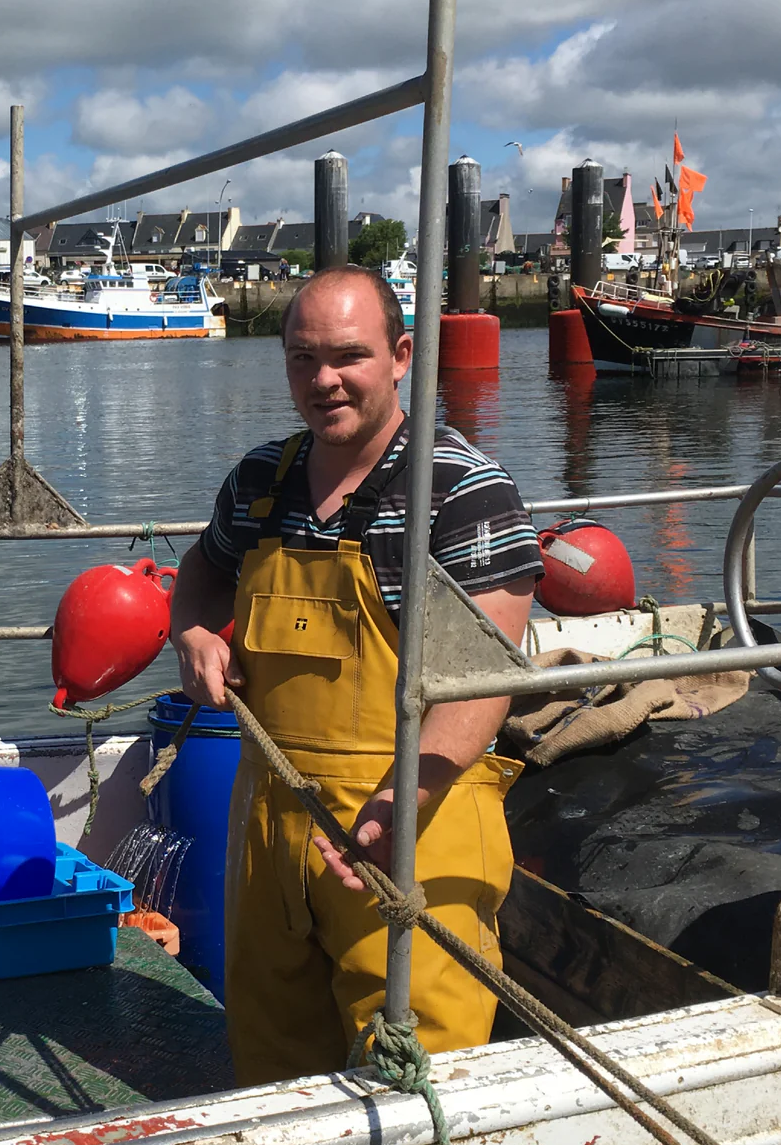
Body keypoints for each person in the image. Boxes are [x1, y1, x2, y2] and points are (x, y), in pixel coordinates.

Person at [171, 263, 543, 1084]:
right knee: (271, 1067)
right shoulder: (260, 483)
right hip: (272, 824)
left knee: (415, 1078)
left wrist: (401, 802)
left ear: (402, 354)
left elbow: (485, 676)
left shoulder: (464, 491)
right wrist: (192, 630)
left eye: (348, 356)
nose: (324, 380)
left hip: (413, 820)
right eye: (303, 359)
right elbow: (203, 569)